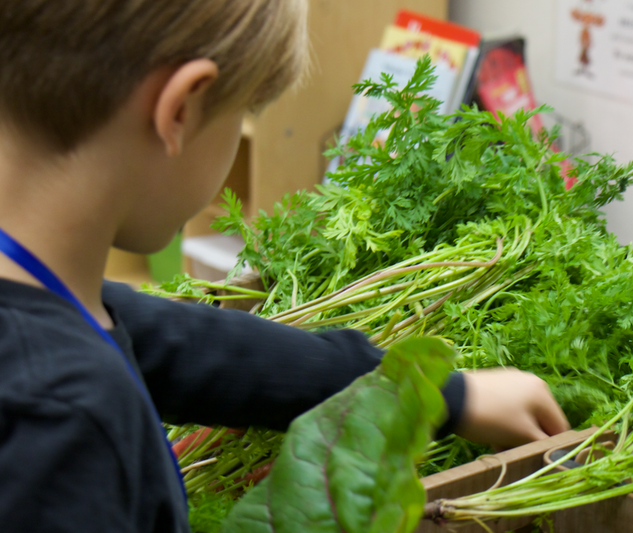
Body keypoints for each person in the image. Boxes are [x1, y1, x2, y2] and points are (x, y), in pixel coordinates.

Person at [0, 1, 571, 531]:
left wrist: (443, 395)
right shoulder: (65, 425)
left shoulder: (48, 306)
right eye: (245, 110)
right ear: (181, 109)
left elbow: (187, 348)